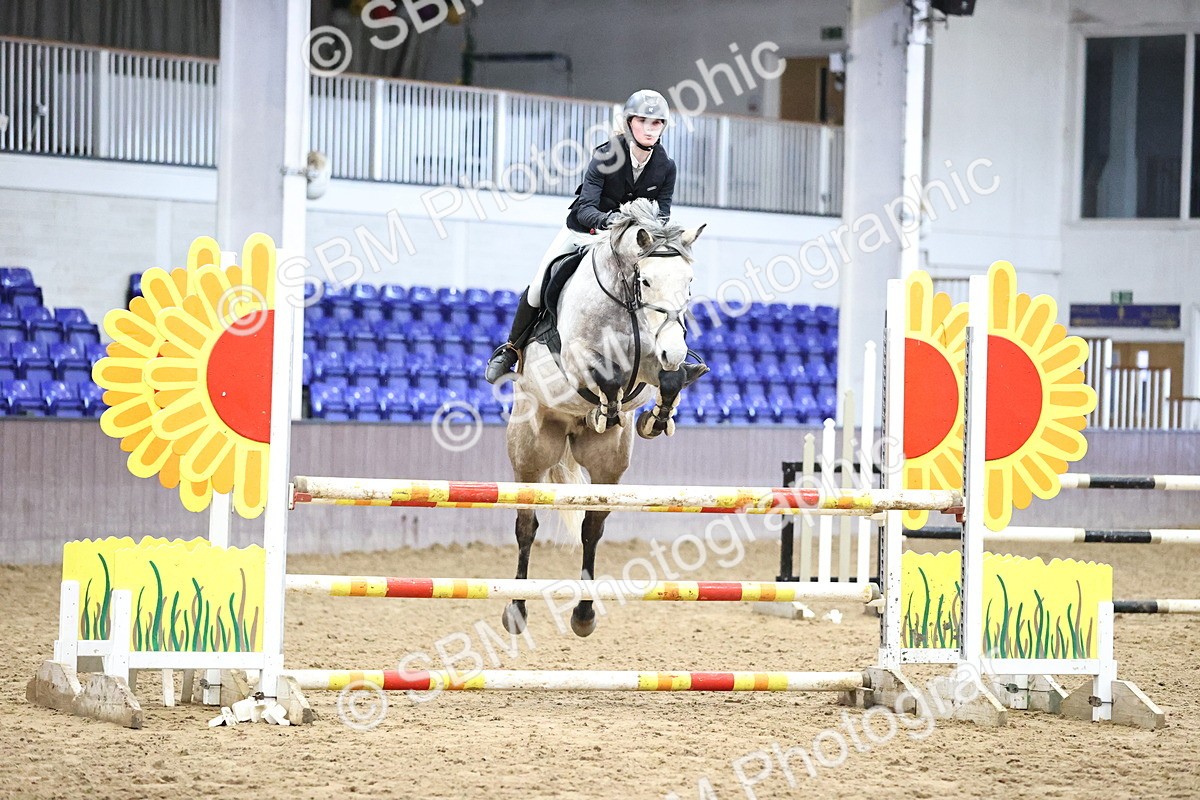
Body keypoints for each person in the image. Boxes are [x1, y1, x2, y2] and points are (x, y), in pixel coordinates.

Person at [485, 89, 678, 384]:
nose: (650, 129)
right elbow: (586, 207)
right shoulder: (606, 155)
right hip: (587, 230)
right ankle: (511, 350)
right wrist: (612, 222)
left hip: (632, 245)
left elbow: (662, 216)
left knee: (665, 283)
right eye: (644, 121)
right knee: (539, 284)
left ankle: (672, 355)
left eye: (657, 123)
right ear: (629, 123)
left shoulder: (666, 167)